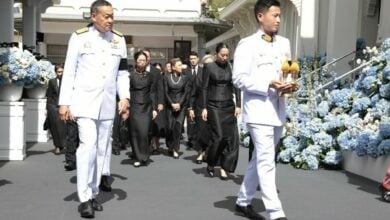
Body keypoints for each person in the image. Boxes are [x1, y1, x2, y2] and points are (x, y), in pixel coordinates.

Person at [58, 0, 130, 218]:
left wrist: (125, 97)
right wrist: (64, 103)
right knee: (87, 146)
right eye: (106, 16)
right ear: (93, 16)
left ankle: (94, 192)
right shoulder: (79, 37)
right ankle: (84, 198)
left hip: (107, 104)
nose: (110, 20)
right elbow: (69, 71)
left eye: (112, 16)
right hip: (84, 102)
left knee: (102, 149)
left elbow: (122, 73)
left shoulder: (119, 40)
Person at [232, 1, 296, 220]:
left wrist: (288, 85)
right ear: (261, 16)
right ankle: (276, 213)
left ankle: (243, 201)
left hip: (278, 109)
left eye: (280, 15)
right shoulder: (247, 44)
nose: (278, 19)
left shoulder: (285, 43)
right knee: (267, 160)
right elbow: (239, 78)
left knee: (260, 158)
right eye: (275, 15)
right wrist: (267, 83)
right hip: (258, 110)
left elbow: (287, 71)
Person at [201, 43, 241, 180]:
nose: (224, 57)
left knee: (231, 138)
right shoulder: (209, 67)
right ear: (216, 54)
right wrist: (204, 107)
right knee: (218, 137)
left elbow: (236, 86)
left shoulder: (231, 66)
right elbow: (204, 88)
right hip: (213, 106)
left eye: (227, 55)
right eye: (222, 55)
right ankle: (211, 163)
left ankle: (225, 167)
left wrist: (238, 105)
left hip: (229, 105)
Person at [126, 51, 157, 167]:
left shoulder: (150, 76)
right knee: (135, 132)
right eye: (140, 60)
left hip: (147, 107)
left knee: (144, 132)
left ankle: (144, 155)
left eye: (144, 60)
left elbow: (153, 92)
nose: (142, 62)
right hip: (134, 106)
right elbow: (126, 91)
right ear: (135, 61)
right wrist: (126, 107)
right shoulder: (130, 75)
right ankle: (138, 156)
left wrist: (154, 108)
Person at [164, 58, 191, 159]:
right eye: (179, 65)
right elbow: (165, 92)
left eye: (181, 65)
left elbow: (185, 92)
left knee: (178, 127)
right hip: (170, 106)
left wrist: (179, 104)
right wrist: (172, 104)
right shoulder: (166, 77)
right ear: (173, 67)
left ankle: (176, 149)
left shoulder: (185, 78)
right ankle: (170, 145)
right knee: (170, 127)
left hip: (181, 105)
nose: (181, 67)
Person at [142, 49, 165, 154]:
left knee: (155, 124)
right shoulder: (136, 70)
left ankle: (155, 145)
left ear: (150, 58)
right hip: (141, 101)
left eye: (147, 56)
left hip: (154, 100)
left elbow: (160, 88)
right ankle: (144, 146)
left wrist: (160, 102)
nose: (145, 58)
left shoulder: (156, 71)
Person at [46, 63, 67, 155]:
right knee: (54, 127)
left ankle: (63, 145)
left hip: (64, 107)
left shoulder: (68, 82)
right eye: (58, 72)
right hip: (53, 107)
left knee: (64, 128)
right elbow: (49, 96)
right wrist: (47, 109)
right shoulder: (52, 82)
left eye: (62, 72)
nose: (60, 74)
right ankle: (57, 146)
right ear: (55, 72)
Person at [185, 51, 201, 150]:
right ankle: (190, 140)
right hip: (188, 98)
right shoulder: (186, 71)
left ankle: (198, 140)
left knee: (199, 120)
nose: (193, 60)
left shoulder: (203, 70)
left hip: (200, 99)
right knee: (190, 120)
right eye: (191, 59)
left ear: (198, 59)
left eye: (194, 58)